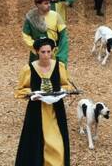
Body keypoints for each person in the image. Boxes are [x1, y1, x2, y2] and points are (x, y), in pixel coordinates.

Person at [14, 37, 72, 166]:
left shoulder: (59, 66)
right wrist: (33, 94)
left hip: (56, 111)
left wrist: (61, 92)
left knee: (58, 143)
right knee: (36, 143)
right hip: (36, 112)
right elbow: (20, 90)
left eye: (48, 51)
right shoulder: (29, 69)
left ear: (52, 51)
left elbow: (67, 85)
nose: (46, 55)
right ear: (37, 52)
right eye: (43, 52)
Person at [22, 0, 69, 64]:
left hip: (53, 52)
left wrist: (61, 54)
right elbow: (25, 35)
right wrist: (35, 46)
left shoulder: (56, 16)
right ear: (38, 5)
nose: (49, 5)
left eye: (49, 3)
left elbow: (63, 36)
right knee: (35, 73)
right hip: (36, 54)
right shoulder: (31, 18)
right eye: (46, 3)